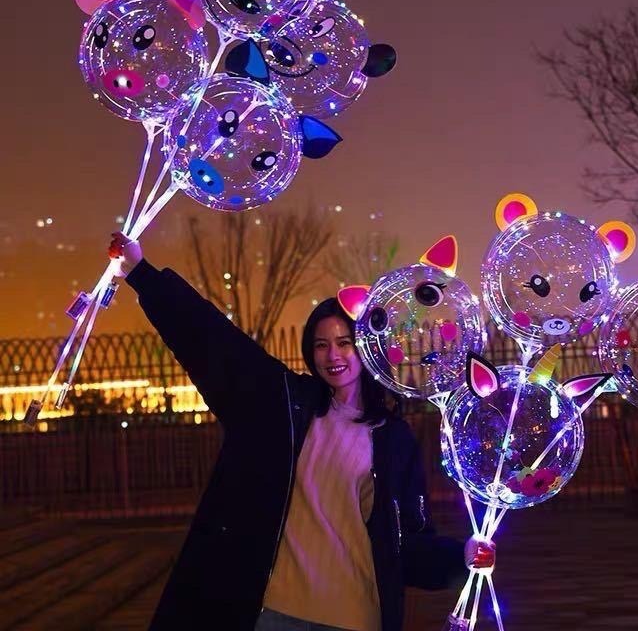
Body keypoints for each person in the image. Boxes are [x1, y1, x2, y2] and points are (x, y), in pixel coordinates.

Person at [109, 232, 495, 631]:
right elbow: (214, 342)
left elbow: (408, 542)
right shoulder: (284, 407)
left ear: (366, 347)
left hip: (355, 618)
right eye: (321, 344)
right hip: (275, 614)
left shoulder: (394, 438)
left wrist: (461, 556)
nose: (333, 355)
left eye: (345, 342)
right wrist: (141, 273)